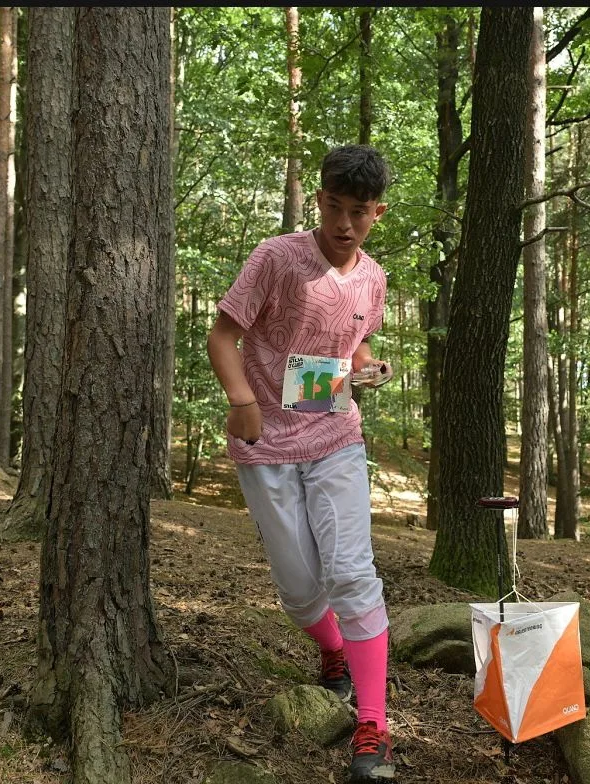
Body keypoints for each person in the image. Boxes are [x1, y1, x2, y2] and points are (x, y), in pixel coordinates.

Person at [206, 144, 396, 783]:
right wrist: (240, 401)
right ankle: (334, 653)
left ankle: (373, 727)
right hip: (266, 441)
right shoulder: (278, 257)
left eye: (359, 213)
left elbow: (353, 338)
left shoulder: (373, 276)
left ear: (377, 213)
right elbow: (223, 334)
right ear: (319, 201)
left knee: (352, 573)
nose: (345, 224)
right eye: (335, 208)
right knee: (297, 588)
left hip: (337, 433)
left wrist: (366, 365)